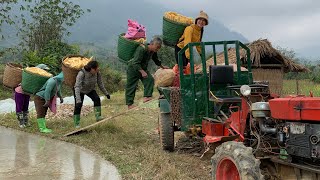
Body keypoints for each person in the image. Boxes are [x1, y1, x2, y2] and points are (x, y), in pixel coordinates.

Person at [125, 37, 168, 109]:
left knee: (150, 79)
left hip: (143, 68)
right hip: (133, 69)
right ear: (152, 44)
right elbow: (135, 62)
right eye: (157, 47)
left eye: (158, 48)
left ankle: (147, 97)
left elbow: (156, 60)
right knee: (131, 86)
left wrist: (162, 67)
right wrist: (142, 72)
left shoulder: (153, 51)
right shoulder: (141, 49)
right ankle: (130, 104)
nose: (157, 49)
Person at [73, 60, 110, 128]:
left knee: (97, 99)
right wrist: (78, 100)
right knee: (78, 105)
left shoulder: (97, 73)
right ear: (92, 68)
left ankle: (98, 116)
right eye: (96, 69)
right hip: (80, 90)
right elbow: (77, 86)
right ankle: (76, 124)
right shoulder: (82, 73)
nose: (97, 70)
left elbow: (100, 84)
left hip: (90, 90)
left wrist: (106, 93)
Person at [14, 64, 50, 128]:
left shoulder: (40, 77)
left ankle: (25, 122)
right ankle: (21, 123)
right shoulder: (31, 75)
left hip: (27, 93)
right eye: (44, 70)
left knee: (25, 108)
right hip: (20, 92)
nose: (45, 71)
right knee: (19, 107)